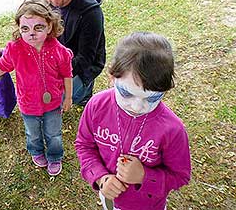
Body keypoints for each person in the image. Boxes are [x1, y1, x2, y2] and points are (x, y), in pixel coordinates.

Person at [75, 32, 191, 210]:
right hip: (109, 198)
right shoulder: (96, 106)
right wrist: (101, 177)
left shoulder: (172, 129)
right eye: (127, 93)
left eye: (152, 98)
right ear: (112, 76)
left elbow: (180, 176)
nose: (137, 106)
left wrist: (144, 176)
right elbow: (84, 145)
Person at [0, 0, 73, 176]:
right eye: (25, 29)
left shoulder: (58, 50)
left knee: (53, 133)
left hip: (53, 103)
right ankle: (36, 151)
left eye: (38, 27)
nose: (32, 34)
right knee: (33, 133)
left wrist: (68, 97)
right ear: (19, 29)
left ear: (49, 27)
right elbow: (2, 66)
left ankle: (54, 156)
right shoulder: (15, 49)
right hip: (28, 104)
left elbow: (67, 74)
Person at [40, 0, 106, 106]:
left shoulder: (90, 12)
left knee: (49, 100)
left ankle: (84, 93)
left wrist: (53, 74)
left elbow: (85, 59)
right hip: (54, 61)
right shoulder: (44, 4)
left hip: (80, 68)